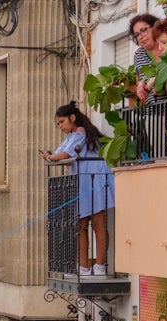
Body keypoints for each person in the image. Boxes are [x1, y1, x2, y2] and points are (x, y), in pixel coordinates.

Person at [41, 102, 115, 278]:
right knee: (82, 224)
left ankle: (98, 266)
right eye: (58, 124)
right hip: (83, 180)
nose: (60, 126)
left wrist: (50, 157)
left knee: (97, 223)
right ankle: (85, 266)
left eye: (62, 122)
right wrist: (52, 157)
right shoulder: (71, 137)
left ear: (72, 118)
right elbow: (62, 155)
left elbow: (64, 155)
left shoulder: (80, 133)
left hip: (94, 178)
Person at [128, 13, 162, 104]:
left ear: (155, 27)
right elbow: (139, 79)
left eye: (143, 30)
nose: (141, 36)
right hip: (152, 112)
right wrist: (140, 85)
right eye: (137, 34)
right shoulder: (139, 54)